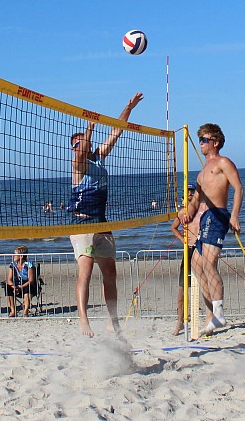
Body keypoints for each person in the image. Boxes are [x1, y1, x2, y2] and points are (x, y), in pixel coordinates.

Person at [69, 92, 144, 336]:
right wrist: (89, 130)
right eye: (77, 144)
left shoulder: (99, 157)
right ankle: (84, 320)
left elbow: (117, 131)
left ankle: (113, 320)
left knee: (110, 273)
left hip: (101, 222)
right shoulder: (78, 165)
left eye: (83, 142)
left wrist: (129, 107)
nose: (81, 146)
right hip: (81, 225)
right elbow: (82, 152)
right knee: (86, 271)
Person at [184, 122, 244, 335]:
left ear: (216, 142)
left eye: (204, 139)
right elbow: (196, 200)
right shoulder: (202, 173)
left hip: (218, 215)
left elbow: (239, 188)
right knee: (196, 265)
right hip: (205, 218)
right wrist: (187, 213)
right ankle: (211, 316)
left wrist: (234, 215)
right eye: (199, 139)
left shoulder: (223, 162)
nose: (201, 142)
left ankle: (219, 314)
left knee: (209, 263)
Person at [170, 184, 206, 336]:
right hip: (189, 249)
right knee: (182, 288)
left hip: (202, 249)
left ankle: (209, 320)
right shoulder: (183, 212)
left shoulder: (203, 209)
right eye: (188, 192)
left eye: (192, 191)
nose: (190, 194)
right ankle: (180, 322)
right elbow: (173, 227)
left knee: (205, 286)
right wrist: (182, 239)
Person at [5, 246, 36, 317]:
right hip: (16, 285)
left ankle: (25, 311)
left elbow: (31, 280)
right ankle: (13, 311)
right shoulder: (13, 265)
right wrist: (14, 287)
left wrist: (20, 287)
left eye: (15, 254)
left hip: (27, 285)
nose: (13, 255)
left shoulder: (29, 265)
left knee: (28, 287)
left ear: (21, 256)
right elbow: (9, 279)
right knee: (8, 287)